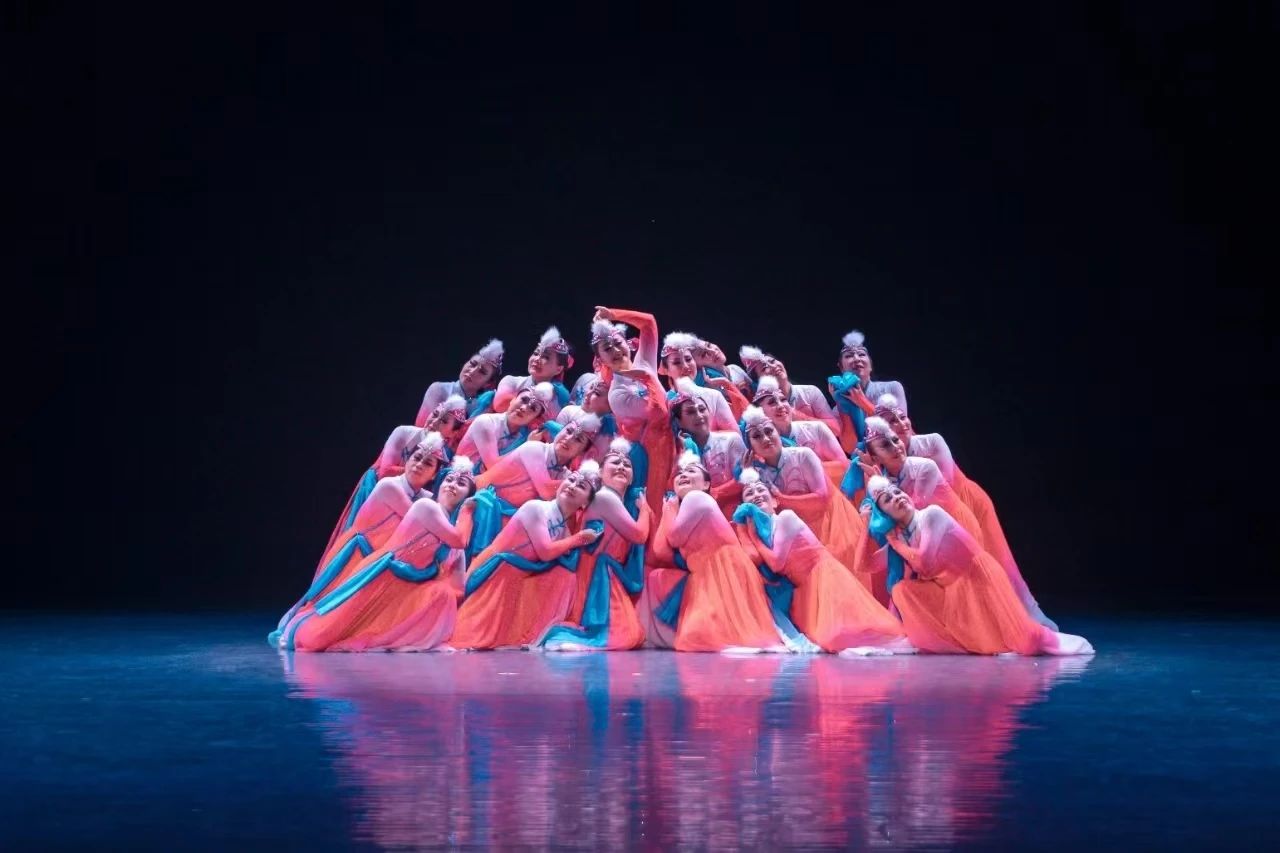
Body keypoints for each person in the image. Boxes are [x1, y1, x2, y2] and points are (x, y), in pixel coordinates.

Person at [873, 393, 1055, 629]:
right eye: (892, 421)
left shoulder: (931, 443)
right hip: (932, 519)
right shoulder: (885, 464)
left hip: (964, 504)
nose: (901, 424)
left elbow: (946, 486)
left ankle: (1029, 614)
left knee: (997, 562)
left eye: (902, 417)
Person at [867, 476, 1093, 656]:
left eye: (897, 492)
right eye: (888, 499)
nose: (897, 497)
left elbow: (924, 562)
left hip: (978, 577)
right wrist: (866, 525)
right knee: (902, 590)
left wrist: (895, 543)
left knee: (1026, 642)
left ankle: (1050, 638)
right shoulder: (903, 536)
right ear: (884, 515)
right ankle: (946, 641)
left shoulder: (931, 515)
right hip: (953, 588)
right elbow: (866, 565)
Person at [280, 455, 478, 652]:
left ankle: (412, 637)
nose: (452, 485)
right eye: (448, 480)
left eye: (460, 484)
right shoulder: (426, 507)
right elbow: (459, 540)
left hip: (409, 584)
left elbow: (457, 584)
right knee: (321, 635)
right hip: (386, 574)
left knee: (442, 594)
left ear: (467, 495)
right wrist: (467, 511)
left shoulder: (451, 530)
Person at [733, 470, 912, 654]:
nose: (756, 495)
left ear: (775, 501)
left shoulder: (785, 517)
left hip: (823, 576)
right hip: (805, 587)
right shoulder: (765, 532)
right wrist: (742, 527)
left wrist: (754, 537)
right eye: (749, 493)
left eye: (761, 490)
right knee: (826, 640)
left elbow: (776, 563)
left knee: (840, 637)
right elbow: (753, 557)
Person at [645, 451, 785, 653]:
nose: (683, 474)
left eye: (691, 471)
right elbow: (660, 551)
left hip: (723, 569)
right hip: (710, 571)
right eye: (680, 473)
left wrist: (668, 509)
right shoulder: (684, 506)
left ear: (705, 484)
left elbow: (674, 538)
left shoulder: (696, 498)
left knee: (697, 638)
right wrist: (670, 507)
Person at [451, 467, 603, 649]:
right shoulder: (536, 508)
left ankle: (532, 632)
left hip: (517, 578)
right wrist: (580, 538)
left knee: (565, 576)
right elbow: (546, 552)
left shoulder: (563, 529)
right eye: (571, 480)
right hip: (494, 570)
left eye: (581, 486)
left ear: (585, 503)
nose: (572, 486)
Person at [740, 406, 875, 598]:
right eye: (757, 436)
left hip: (834, 524)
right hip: (802, 536)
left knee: (850, 583)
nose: (766, 438)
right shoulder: (759, 474)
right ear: (751, 447)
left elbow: (822, 498)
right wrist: (748, 476)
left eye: (769, 431)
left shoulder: (803, 454)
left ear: (777, 432)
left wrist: (783, 499)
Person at [541, 439, 651, 650]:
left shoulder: (615, 500)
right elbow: (639, 535)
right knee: (624, 637)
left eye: (627, 465)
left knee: (633, 635)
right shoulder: (605, 498)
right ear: (600, 473)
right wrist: (645, 510)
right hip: (596, 575)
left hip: (605, 573)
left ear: (631, 478)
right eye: (615, 463)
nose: (621, 466)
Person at [465, 414, 601, 558]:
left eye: (578, 440)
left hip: (508, 519)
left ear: (583, 452)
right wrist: (582, 482)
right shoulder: (535, 449)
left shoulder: (566, 476)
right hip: (479, 506)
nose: (568, 439)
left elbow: (565, 513)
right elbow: (545, 491)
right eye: (568, 431)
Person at [589, 306, 675, 516]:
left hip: (673, 441)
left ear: (627, 344)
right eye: (607, 349)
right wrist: (647, 378)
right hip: (649, 456)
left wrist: (613, 315)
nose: (616, 350)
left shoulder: (643, 362)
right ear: (601, 360)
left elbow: (649, 323)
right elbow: (659, 413)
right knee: (656, 511)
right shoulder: (617, 394)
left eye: (618, 343)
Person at [669, 377, 747, 516]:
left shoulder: (731, 440)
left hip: (734, 512)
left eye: (702, 409)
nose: (699, 416)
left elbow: (745, 481)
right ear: (678, 421)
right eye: (691, 412)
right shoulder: (676, 451)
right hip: (695, 514)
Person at [752, 375, 847, 487]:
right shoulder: (763, 446)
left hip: (833, 490)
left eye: (783, 400)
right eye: (772, 402)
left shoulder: (816, 429)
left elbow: (844, 465)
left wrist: (808, 468)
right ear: (761, 413)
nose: (781, 406)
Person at [828, 330, 907, 454]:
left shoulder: (892, 388)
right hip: (870, 458)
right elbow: (851, 449)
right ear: (841, 367)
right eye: (849, 356)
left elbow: (901, 430)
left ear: (870, 365)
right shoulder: (837, 409)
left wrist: (862, 401)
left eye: (861, 354)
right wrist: (842, 405)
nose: (856, 359)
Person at [739, 344, 841, 436]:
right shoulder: (762, 410)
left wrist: (797, 415)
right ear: (758, 381)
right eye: (764, 368)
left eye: (772, 361)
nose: (773, 366)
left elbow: (836, 429)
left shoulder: (810, 392)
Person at [455, 384, 554, 471]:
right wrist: (527, 446)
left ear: (534, 418)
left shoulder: (524, 436)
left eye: (532, 408)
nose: (524, 408)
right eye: (523, 400)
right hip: (459, 480)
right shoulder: (486, 422)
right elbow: (492, 465)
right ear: (512, 400)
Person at [660, 331, 741, 431]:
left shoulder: (714, 396)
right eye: (676, 362)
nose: (686, 366)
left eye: (688, 359)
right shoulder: (663, 401)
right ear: (666, 370)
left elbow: (735, 435)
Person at [414, 338, 504, 426]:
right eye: (472, 364)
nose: (472, 371)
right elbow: (420, 428)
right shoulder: (439, 389)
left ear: (488, 383)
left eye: (482, 372)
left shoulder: (485, 405)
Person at [491, 326, 573, 418]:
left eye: (546, 357)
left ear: (558, 369)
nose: (537, 359)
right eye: (536, 353)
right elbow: (500, 406)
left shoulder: (560, 397)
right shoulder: (511, 381)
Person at [554, 376, 616, 463]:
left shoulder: (611, 432)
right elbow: (556, 450)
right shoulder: (569, 411)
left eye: (597, 393)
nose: (588, 394)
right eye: (591, 387)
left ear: (611, 404)